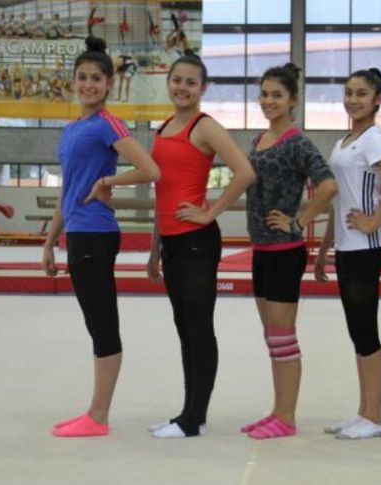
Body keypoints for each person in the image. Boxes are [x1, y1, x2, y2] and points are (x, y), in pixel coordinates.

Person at [42, 37, 160, 438]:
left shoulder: (107, 123)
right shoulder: (72, 128)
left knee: (102, 323)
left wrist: (108, 182)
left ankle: (98, 416)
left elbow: (149, 169)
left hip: (95, 233)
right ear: (73, 81)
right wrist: (49, 241)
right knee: (96, 322)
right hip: (77, 233)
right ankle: (96, 412)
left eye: (96, 78)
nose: (88, 84)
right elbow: (68, 189)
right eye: (82, 77)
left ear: (110, 83)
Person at [145, 55, 255, 439]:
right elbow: (162, 191)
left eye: (191, 82)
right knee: (184, 327)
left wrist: (210, 212)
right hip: (173, 242)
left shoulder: (204, 126)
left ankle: (193, 419)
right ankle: (189, 413)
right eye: (177, 80)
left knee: (198, 326)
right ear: (169, 82)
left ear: (203, 88)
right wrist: (155, 246)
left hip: (196, 241)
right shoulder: (163, 128)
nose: (183, 88)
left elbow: (245, 172)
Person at [239, 63, 337, 440]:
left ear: (293, 100)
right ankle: (278, 410)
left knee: (283, 336)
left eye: (277, 95)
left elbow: (327, 185)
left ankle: (287, 417)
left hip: (284, 250)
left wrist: (299, 220)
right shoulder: (259, 139)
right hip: (262, 249)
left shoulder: (297, 142)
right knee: (272, 337)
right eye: (264, 94)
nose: (268, 101)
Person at [315, 68, 381, 440]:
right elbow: (339, 199)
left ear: (377, 99)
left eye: (362, 94)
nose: (353, 100)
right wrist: (325, 248)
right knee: (358, 331)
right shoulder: (344, 141)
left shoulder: (373, 138)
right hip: (346, 246)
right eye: (349, 93)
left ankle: (374, 417)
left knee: (366, 330)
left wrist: (374, 221)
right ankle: (364, 412)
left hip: (365, 248)